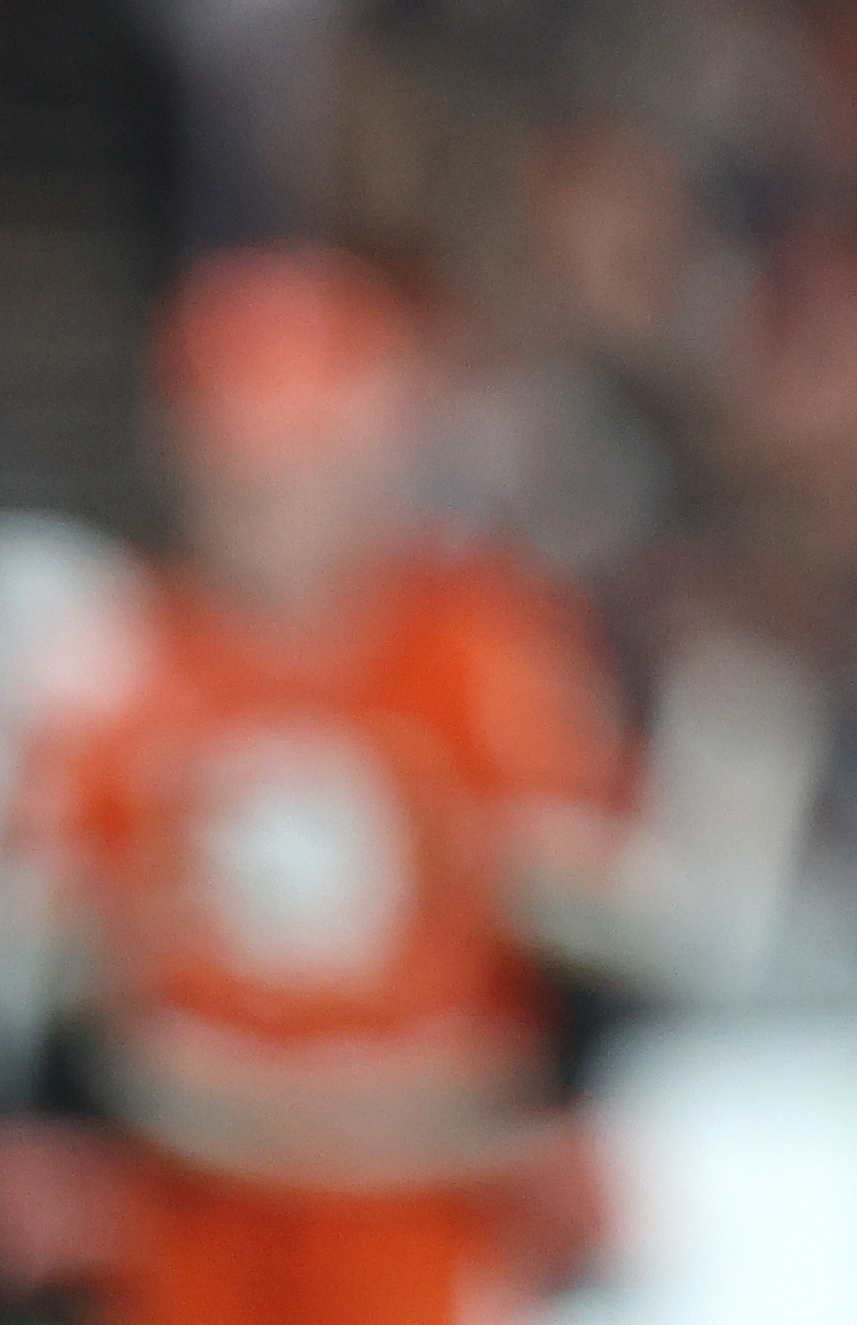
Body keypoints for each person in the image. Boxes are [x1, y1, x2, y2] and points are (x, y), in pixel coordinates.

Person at [0, 252, 631, 1325]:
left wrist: (561, 1110)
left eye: (303, 452)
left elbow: (586, 929)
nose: (272, 491)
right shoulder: (119, 660)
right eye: (244, 457)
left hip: (422, 1200)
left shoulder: (479, 651)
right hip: (189, 1205)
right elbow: (59, 954)